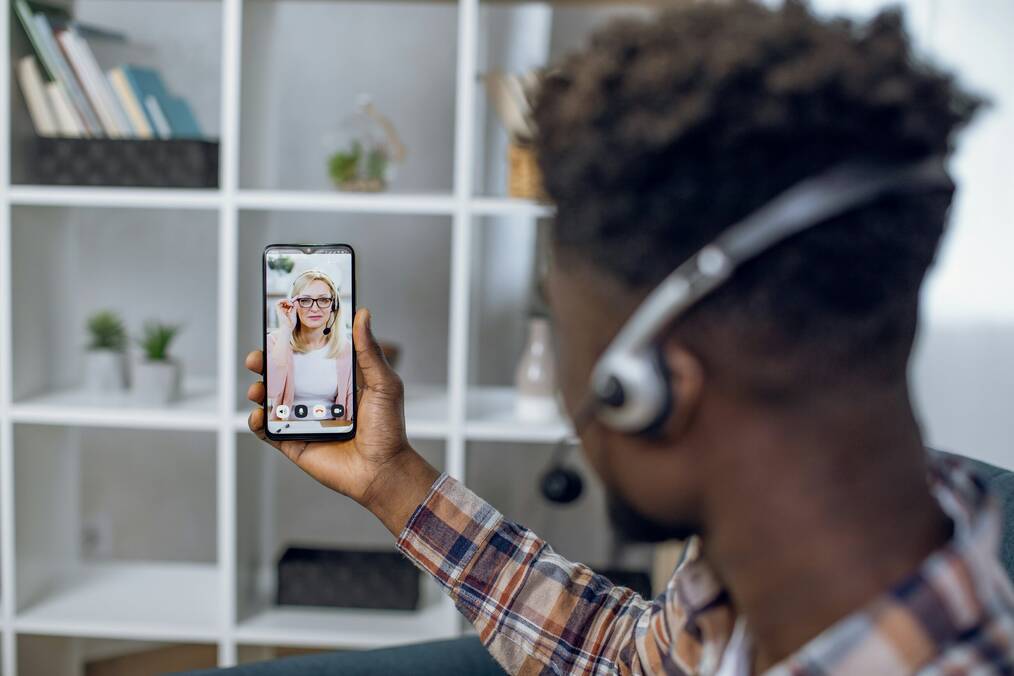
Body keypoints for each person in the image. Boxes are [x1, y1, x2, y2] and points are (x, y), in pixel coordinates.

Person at [244, 2, 1014, 674]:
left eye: (566, 334)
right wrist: (392, 480)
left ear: (649, 387)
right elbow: (620, 660)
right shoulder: (762, 560)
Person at [266, 269, 353, 423]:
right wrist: (286, 327)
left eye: (323, 300)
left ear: (334, 305)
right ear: (293, 304)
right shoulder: (275, 341)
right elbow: (272, 391)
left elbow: (350, 406)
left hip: (331, 430)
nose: (314, 308)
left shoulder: (345, 348)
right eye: (305, 300)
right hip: (288, 429)